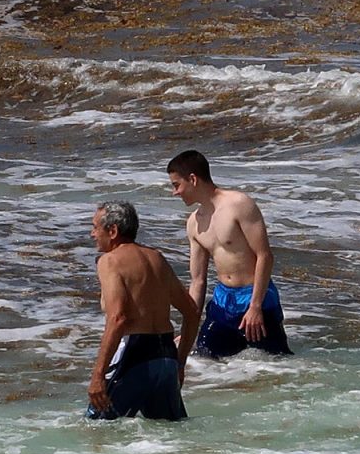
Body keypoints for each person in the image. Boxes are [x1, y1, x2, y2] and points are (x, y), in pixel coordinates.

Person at [167, 149, 294, 358]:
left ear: (192, 179)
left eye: (176, 185)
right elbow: (198, 281)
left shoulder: (239, 204)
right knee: (204, 359)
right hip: (223, 301)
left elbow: (265, 256)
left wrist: (255, 307)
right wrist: (188, 330)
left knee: (276, 365)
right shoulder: (193, 223)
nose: (175, 192)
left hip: (255, 297)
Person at [87, 200, 201, 420]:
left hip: (134, 355)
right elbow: (191, 312)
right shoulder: (156, 258)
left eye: (95, 227)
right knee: (170, 436)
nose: (92, 234)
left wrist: (98, 375)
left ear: (112, 231)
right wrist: (179, 361)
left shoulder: (109, 261)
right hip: (165, 357)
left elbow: (118, 318)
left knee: (96, 433)